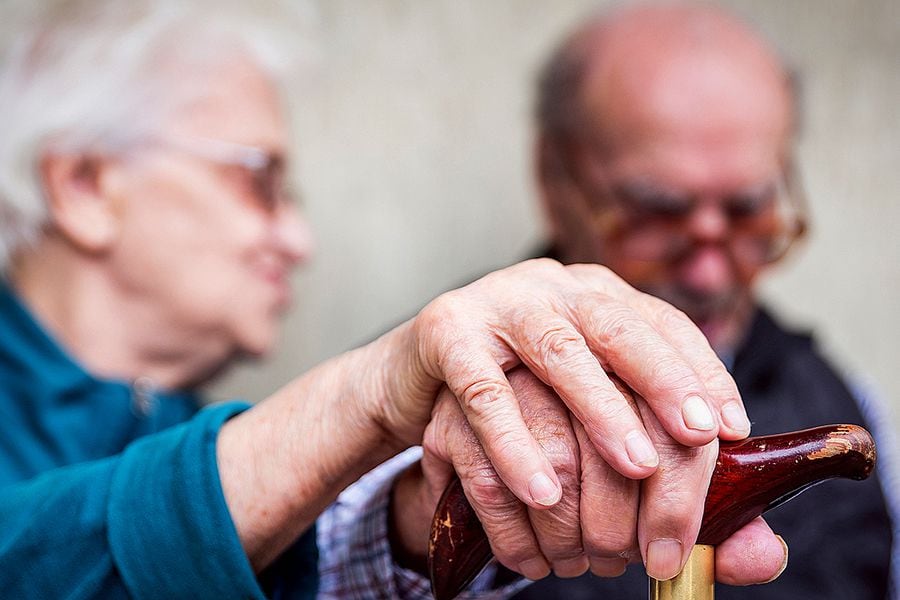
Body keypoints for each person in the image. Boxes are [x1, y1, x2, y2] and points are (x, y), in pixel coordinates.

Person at [0, 1, 789, 598]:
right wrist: (367, 393)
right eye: (260, 182)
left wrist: (435, 510)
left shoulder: (181, 428)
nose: (299, 239)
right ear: (84, 187)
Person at [515, 3, 897, 599]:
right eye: (659, 213)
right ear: (554, 181)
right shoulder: (443, 411)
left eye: (747, 211)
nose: (710, 271)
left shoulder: (848, 403)